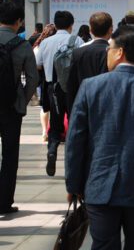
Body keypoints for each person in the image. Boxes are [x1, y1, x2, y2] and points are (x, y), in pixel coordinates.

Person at [66, 25, 134, 250]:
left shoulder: (90, 87)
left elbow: (76, 142)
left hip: (99, 185)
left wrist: (74, 184)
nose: (107, 52)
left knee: (104, 249)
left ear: (120, 52)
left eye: (109, 48)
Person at [35, 10, 84, 176]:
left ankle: (52, 151)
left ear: (55, 25)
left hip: (52, 89)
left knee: (55, 125)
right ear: (71, 25)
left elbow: (38, 65)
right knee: (74, 122)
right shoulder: (77, 40)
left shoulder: (46, 42)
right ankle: (72, 159)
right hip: (73, 89)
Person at [0, 2, 38, 214]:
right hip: (11, 107)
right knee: (10, 154)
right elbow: (33, 77)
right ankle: (4, 202)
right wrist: (21, 98)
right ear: (19, 22)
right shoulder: (22, 46)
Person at [66, 12, 112, 111]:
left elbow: (71, 86)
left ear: (91, 30)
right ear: (110, 30)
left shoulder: (78, 53)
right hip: (107, 107)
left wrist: (72, 113)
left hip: (83, 105)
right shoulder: (113, 53)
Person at [33, 24, 56, 141]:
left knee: (44, 107)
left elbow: (37, 65)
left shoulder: (39, 46)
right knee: (56, 107)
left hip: (44, 80)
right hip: (56, 80)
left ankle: (44, 131)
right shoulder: (57, 44)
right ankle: (54, 130)